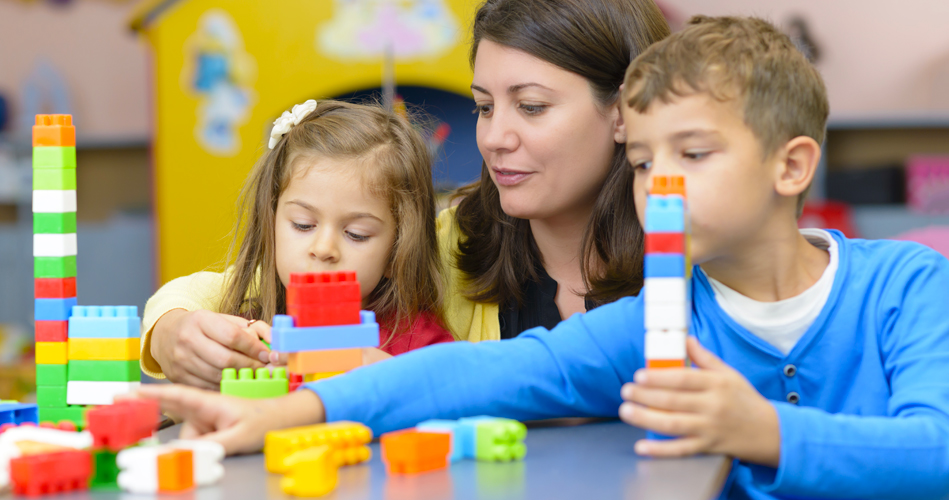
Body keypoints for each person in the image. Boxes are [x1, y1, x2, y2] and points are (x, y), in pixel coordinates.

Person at [135, 16, 949, 499]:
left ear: (791, 166)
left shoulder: (907, 287)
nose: (657, 182)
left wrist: (763, 431)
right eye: (642, 163)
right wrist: (274, 415)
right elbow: (464, 376)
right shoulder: (649, 324)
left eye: (692, 154)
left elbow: (936, 453)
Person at [139, 0, 673, 387]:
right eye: (484, 107)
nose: (494, 138)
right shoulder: (446, 242)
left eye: (531, 106)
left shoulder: (684, 248)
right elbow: (233, 287)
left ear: (623, 110)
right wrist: (172, 330)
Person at [142, 100, 453, 388]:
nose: (324, 248)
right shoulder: (247, 334)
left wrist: (396, 381)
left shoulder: (418, 342)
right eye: (303, 225)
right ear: (272, 223)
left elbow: (459, 399)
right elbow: (178, 300)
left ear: (396, 251)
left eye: (356, 233)